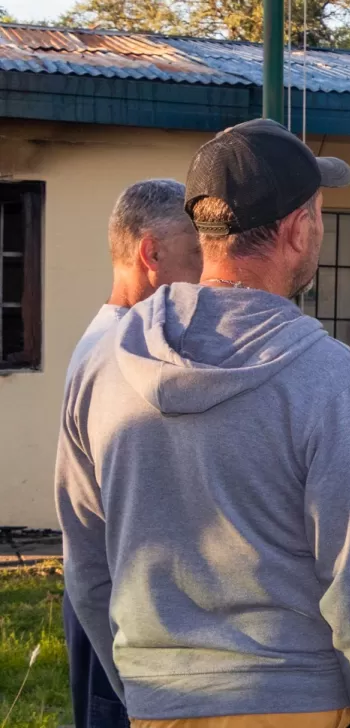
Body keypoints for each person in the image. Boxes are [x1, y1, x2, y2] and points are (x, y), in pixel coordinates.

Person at [56, 118, 350, 728]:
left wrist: (145, 688)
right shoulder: (331, 377)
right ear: (299, 229)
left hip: (157, 703)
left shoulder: (99, 365)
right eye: (320, 214)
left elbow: (88, 568)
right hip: (299, 701)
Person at [62, 178, 202, 728]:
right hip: (119, 614)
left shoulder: (115, 340)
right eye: (197, 253)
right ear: (151, 253)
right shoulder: (121, 355)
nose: (208, 273)